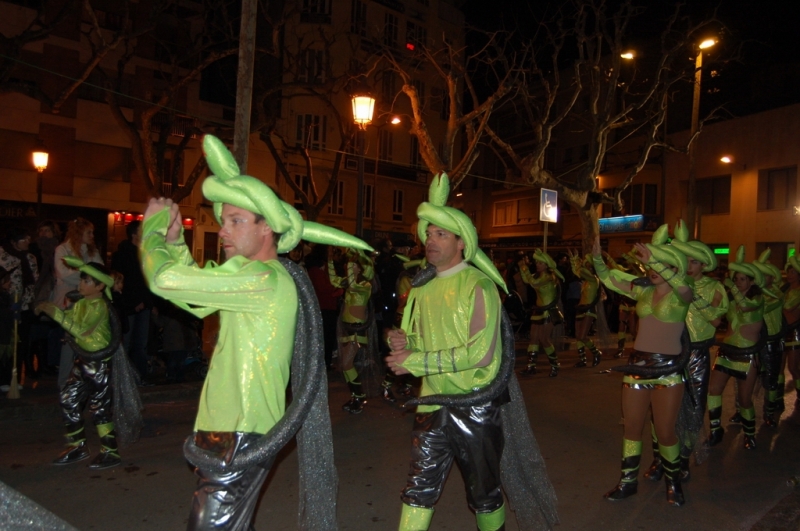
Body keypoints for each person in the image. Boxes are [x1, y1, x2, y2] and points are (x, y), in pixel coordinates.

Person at [140, 135, 368, 531]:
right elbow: (198, 298)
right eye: (223, 219)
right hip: (230, 427)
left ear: (267, 229)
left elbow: (164, 281)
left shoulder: (262, 278)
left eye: (236, 221)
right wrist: (176, 245)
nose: (223, 230)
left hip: (239, 431)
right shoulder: (250, 276)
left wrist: (154, 230)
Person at [386, 173, 558, 531]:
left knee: (484, 494)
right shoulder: (421, 289)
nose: (430, 241)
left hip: (474, 407)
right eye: (428, 234)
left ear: (462, 242)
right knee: (418, 489)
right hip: (431, 405)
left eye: (440, 234)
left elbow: (479, 354)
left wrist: (414, 360)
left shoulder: (479, 285)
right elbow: (420, 341)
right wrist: (404, 343)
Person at [592, 225, 693, 506]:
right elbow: (611, 282)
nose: (651, 269)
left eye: (659, 264)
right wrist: (598, 260)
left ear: (675, 267)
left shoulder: (682, 294)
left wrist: (656, 260)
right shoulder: (643, 293)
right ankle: (628, 482)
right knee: (632, 428)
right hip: (638, 365)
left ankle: (673, 483)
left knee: (664, 431)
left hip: (669, 370)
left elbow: (685, 291)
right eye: (650, 264)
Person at [643, 220, 728, 482]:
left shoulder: (714, 288)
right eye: (685, 260)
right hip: (668, 352)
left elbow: (716, 322)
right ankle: (661, 458)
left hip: (696, 355)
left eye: (693, 261)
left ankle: (683, 459)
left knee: (691, 407)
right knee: (659, 409)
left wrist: (693, 296)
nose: (688, 265)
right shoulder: (670, 283)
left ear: (703, 264)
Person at [35, 259, 127, 469]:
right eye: (82, 279)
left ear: (100, 286)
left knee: (99, 407)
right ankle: (78, 446)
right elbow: (72, 323)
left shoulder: (99, 306)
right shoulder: (83, 303)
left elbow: (82, 330)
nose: (81, 284)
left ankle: (110, 450)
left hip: (97, 363)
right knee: (68, 398)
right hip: (83, 359)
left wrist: (54, 312)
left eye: (87, 281)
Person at [707, 246, 765, 451]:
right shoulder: (731, 298)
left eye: (742, 279)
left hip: (748, 354)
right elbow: (718, 315)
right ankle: (715, 430)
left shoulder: (758, 299)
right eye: (736, 278)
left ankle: (749, 433)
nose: (738, 282)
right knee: (713, 390)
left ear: (751, 281)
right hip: (726, 351)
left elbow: (746, 307)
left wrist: (730, 287)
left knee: (744, 399)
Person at [328, 247, 380, 413]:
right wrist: (329, 260)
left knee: (346, 364)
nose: (349, 268)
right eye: (349, 266)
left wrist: (350, 261)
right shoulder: (349, 281)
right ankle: (356, 396)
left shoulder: (365, 285)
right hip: (346, 327)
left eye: (353, 266)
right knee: (345, 366)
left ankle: (359, 396)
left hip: (357, 330)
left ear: (360, 268)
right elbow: (333, 280)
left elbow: (351, 285)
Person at [111, 220, 154, 386]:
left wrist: (148, 302)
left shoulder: (145, 253)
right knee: (126, 343)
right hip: (129, 307)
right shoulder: (123, 255)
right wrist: (133, 302)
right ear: (134, 234)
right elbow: (122, 281)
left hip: (143, 305)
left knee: (140, 344)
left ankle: (139, 377)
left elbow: (148, 280)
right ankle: (123, 379)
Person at [0, 227, 39, 382]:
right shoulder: (3, 256)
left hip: (24, 305)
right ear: (13, 242)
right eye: (24, 239)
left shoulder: (30, 258)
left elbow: (33, 281)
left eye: (28, 238)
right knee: (5, 343)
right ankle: (3, 378)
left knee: (21, 342)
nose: (27, 242)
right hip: (5, 306)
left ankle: (15, 377)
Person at [751, 250, 785, 427]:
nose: (762, 278)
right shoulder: (756, 294)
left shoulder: (776, 295)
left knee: (770, 379)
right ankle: (742, 410)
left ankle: (769, 412)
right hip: (755, 343)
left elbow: (759, 310)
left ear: (772, 278)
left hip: (771, 342)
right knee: (749, 378)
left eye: (765, 275)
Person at [518, 249, 564, 377]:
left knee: (544, 339)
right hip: (538, 311)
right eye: (536, 262)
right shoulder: (537, 276)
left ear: (546, 265)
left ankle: (555, 365)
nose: (537, 264)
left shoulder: (549, 277)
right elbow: (527, 280)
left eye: (540, 263)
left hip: (548, 311)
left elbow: (533, 283)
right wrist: (522, 266)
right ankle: (530, 366)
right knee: (533, 338)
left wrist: (526, 270)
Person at [304, 244, 340, 370]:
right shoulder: (316, 268)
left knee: (327, 337)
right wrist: (338, 290)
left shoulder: (322, 266)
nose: (332, 252)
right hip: (324, 306)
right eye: (330, 250)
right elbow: (323, 287)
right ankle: (324, 363)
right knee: (326, 337)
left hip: (327, 305)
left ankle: (325, 362)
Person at [568, 249, 603, 367]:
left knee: (582, 336)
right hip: (580, 308)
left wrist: (576, 260)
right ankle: (582, 360)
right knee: (578, 337)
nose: (587, 267)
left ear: (593, 268)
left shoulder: (593, 279)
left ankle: (596, 352)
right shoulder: (585, 281)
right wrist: (574, 260)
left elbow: (580, 271)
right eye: (586, 264)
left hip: (589, 309)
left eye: (589, 265)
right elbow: (577, 271)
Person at [782, 255, 800, 413]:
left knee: (793, 367)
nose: (790, 274)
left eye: (794, 272)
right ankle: (776, 398)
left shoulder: (798, 291)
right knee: (778, 367)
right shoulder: (785, 288)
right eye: (789, 271)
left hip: (795, 332)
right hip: (781, 332)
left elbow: (787, 307)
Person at [0, 266, 14, 393]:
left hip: (6, 330)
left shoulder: (5, 295)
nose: (10, 283)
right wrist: (10, 312)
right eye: (7, 280)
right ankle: (3, 381)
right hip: (2, 331)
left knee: (7, 356)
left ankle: (7, 380)